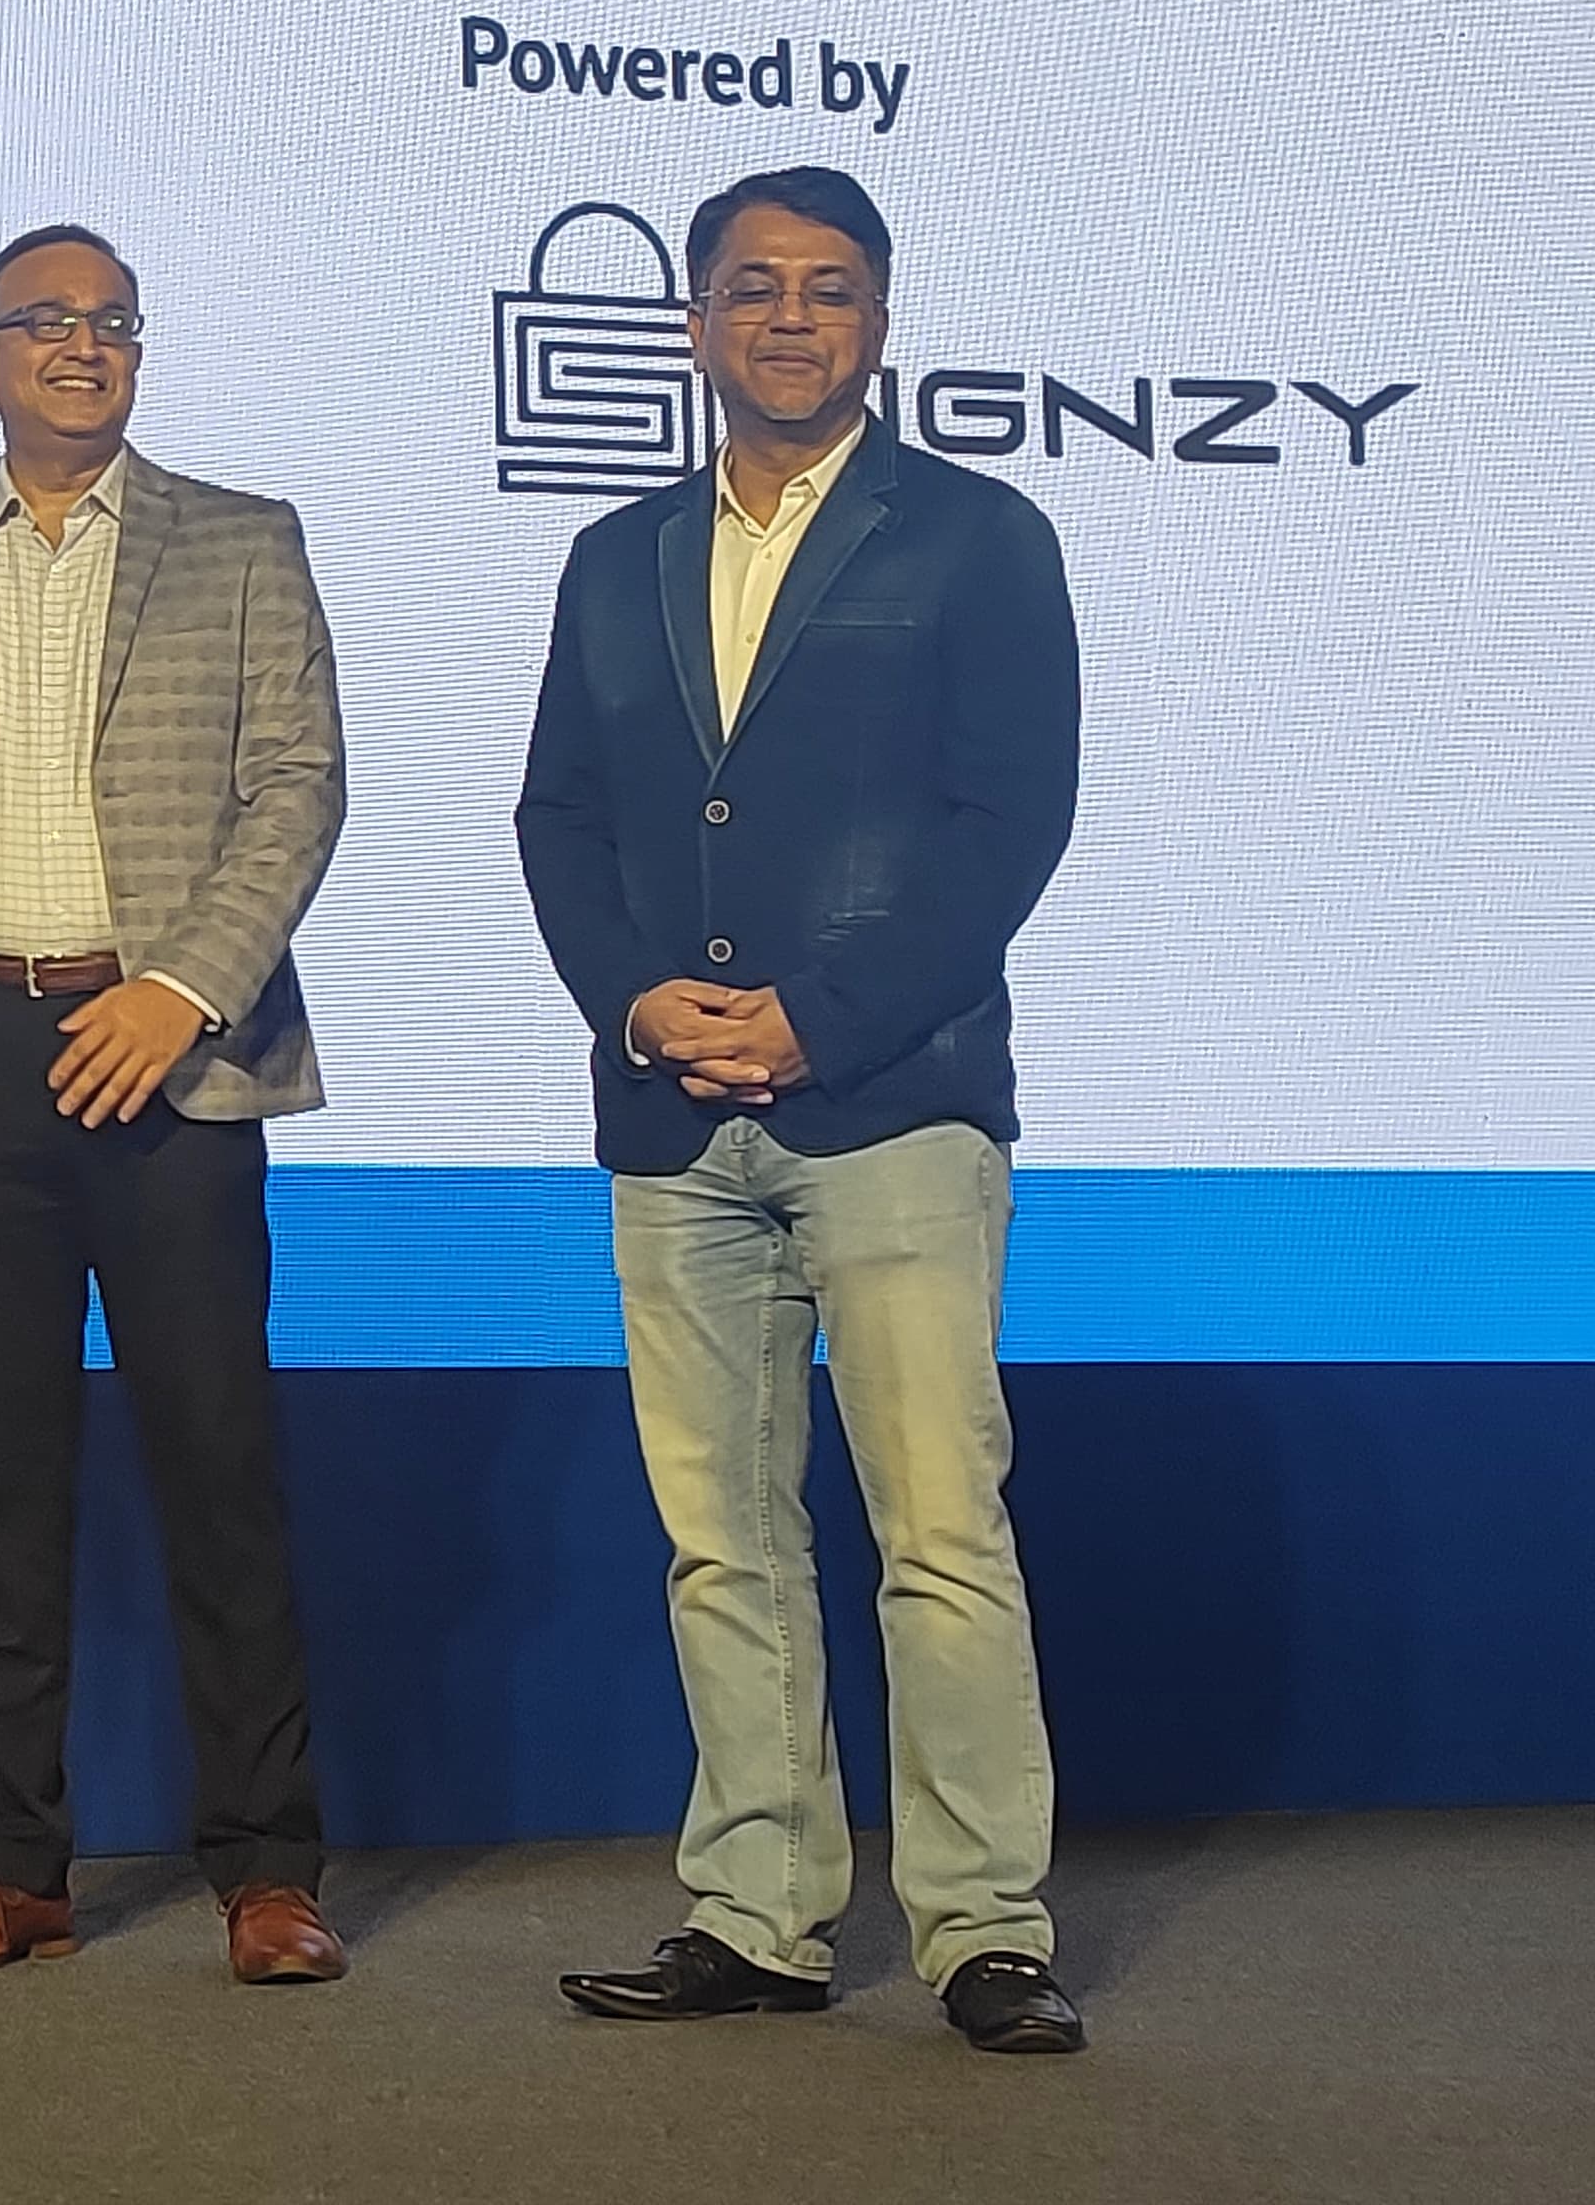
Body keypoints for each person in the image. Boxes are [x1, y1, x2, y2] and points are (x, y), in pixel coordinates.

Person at [515, 166, 1089, 2056]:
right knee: (724, 1544)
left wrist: (816, 1022)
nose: (788, 317)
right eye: (753, 286)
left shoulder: (980, 536)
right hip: (673, 1120)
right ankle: (759, 1915)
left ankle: (984, 1928)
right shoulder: (617, 555)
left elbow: (1010, 825)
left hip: (895, 1105)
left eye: (827, 288)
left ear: (880, 322)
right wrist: (634, 999)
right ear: (693, 320)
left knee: (939, 1535)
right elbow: (561, 816)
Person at [0, 225, 350, 1987]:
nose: (82, 344)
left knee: (219, 1471)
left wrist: (180, 983)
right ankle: (11, 1870)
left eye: (111, 320)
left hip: (177, 1059)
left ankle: (268, 1871)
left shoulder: (242, 538)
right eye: (44, 321)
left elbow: (299, 784)